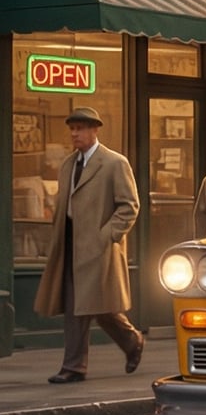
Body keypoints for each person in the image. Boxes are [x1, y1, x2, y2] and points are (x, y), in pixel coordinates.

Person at [33, 106, 146, 384]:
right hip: (71, 244)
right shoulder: (69, 164)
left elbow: (129, 206)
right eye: (72, 129)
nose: (74, 134)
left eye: (80, 128)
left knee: (97, 306)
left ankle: (128, 343)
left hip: (100, 247)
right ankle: (77, 365)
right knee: (79, 306)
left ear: (95, 130)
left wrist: (107, 236)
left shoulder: (114, 163)